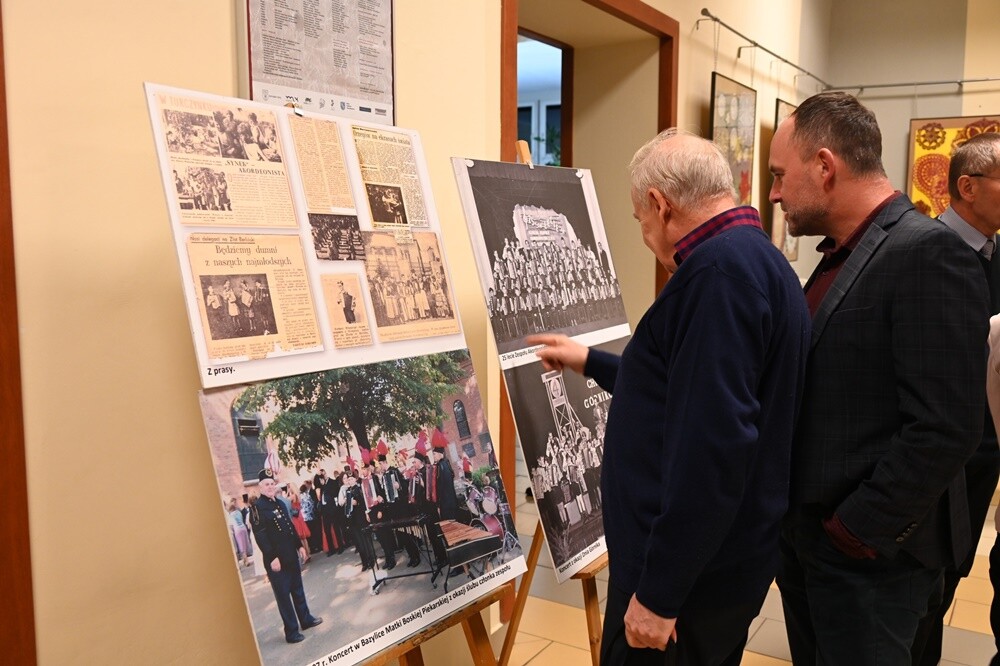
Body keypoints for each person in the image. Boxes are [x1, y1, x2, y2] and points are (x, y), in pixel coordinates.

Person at [529, 128, 811, 665]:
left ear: (659, 204)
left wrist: (659, 594)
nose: (644, 235)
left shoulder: (717, 278)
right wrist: (588, 360)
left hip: (686, 583)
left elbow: (713, 451)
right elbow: (684, 386)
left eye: (640, 220)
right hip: (720, 562)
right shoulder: (758, 260)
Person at [767, 92, 989, 664]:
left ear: (824, 165)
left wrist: (854, 532)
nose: (773, 193)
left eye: (778, 175)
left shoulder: (926, 253)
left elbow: (945, 427)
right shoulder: (846, 250)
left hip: (871, 563)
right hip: (815, 546)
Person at [909, 132, 1000, 664]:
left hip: (984, 453)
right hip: (937, 457)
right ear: (967, 186)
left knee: (947, 585)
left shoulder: (995, 253)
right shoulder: (922, 252)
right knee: (920, 591)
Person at [248, 469, 323, 644]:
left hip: (290, 555)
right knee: (283, 596)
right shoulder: (257, 509)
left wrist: (300, 546)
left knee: (297, 589)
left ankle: (305, 619)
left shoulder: (280, 503)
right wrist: (272, 557)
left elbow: (290, 528)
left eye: (272, 483)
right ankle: (291, 631)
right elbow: (261, 536)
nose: (270, 487)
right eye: (266, 484)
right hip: (277, 561)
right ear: (260, 487)